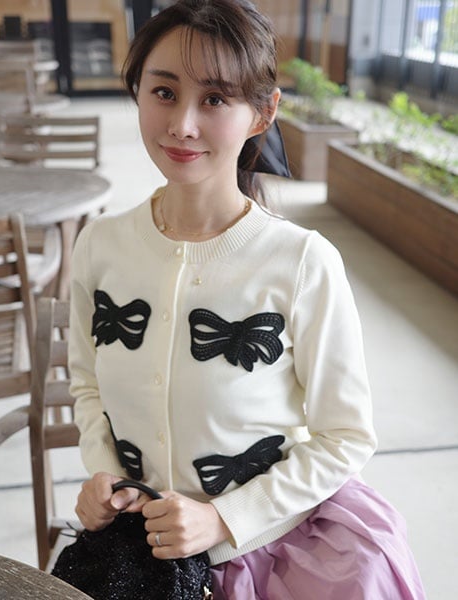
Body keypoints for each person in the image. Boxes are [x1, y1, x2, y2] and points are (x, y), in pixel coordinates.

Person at [68, 1, 426, 597]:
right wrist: (104, 472)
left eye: (214, 99)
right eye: (163, 92)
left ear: (264, 112)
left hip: (275, 552)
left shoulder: (303, 262)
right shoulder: (99, 245)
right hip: (141, 553)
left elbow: (345, 437)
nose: (183, 124)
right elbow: (87, 385)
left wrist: (223, 518)